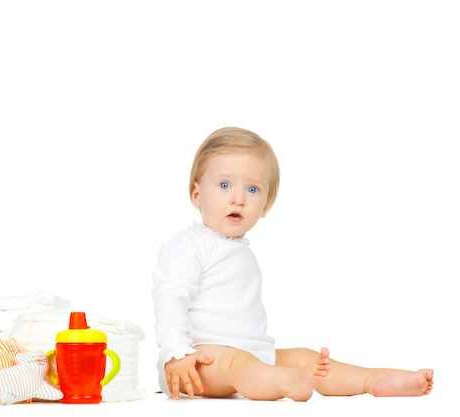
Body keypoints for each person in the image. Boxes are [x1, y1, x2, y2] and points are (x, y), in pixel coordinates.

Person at [151, 127, 434, 401]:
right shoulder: (188, 244)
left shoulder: (240, 251)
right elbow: (169, 299)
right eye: (224, 185)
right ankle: (289, 382)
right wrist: (176, 353)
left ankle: (370, 380)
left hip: (250, 354)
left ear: (266, 205)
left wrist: (262, 357)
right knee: (237, 363)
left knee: (302, 357)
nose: (238, 198)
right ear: (196, 193)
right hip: (195, 364)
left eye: (252, 189)